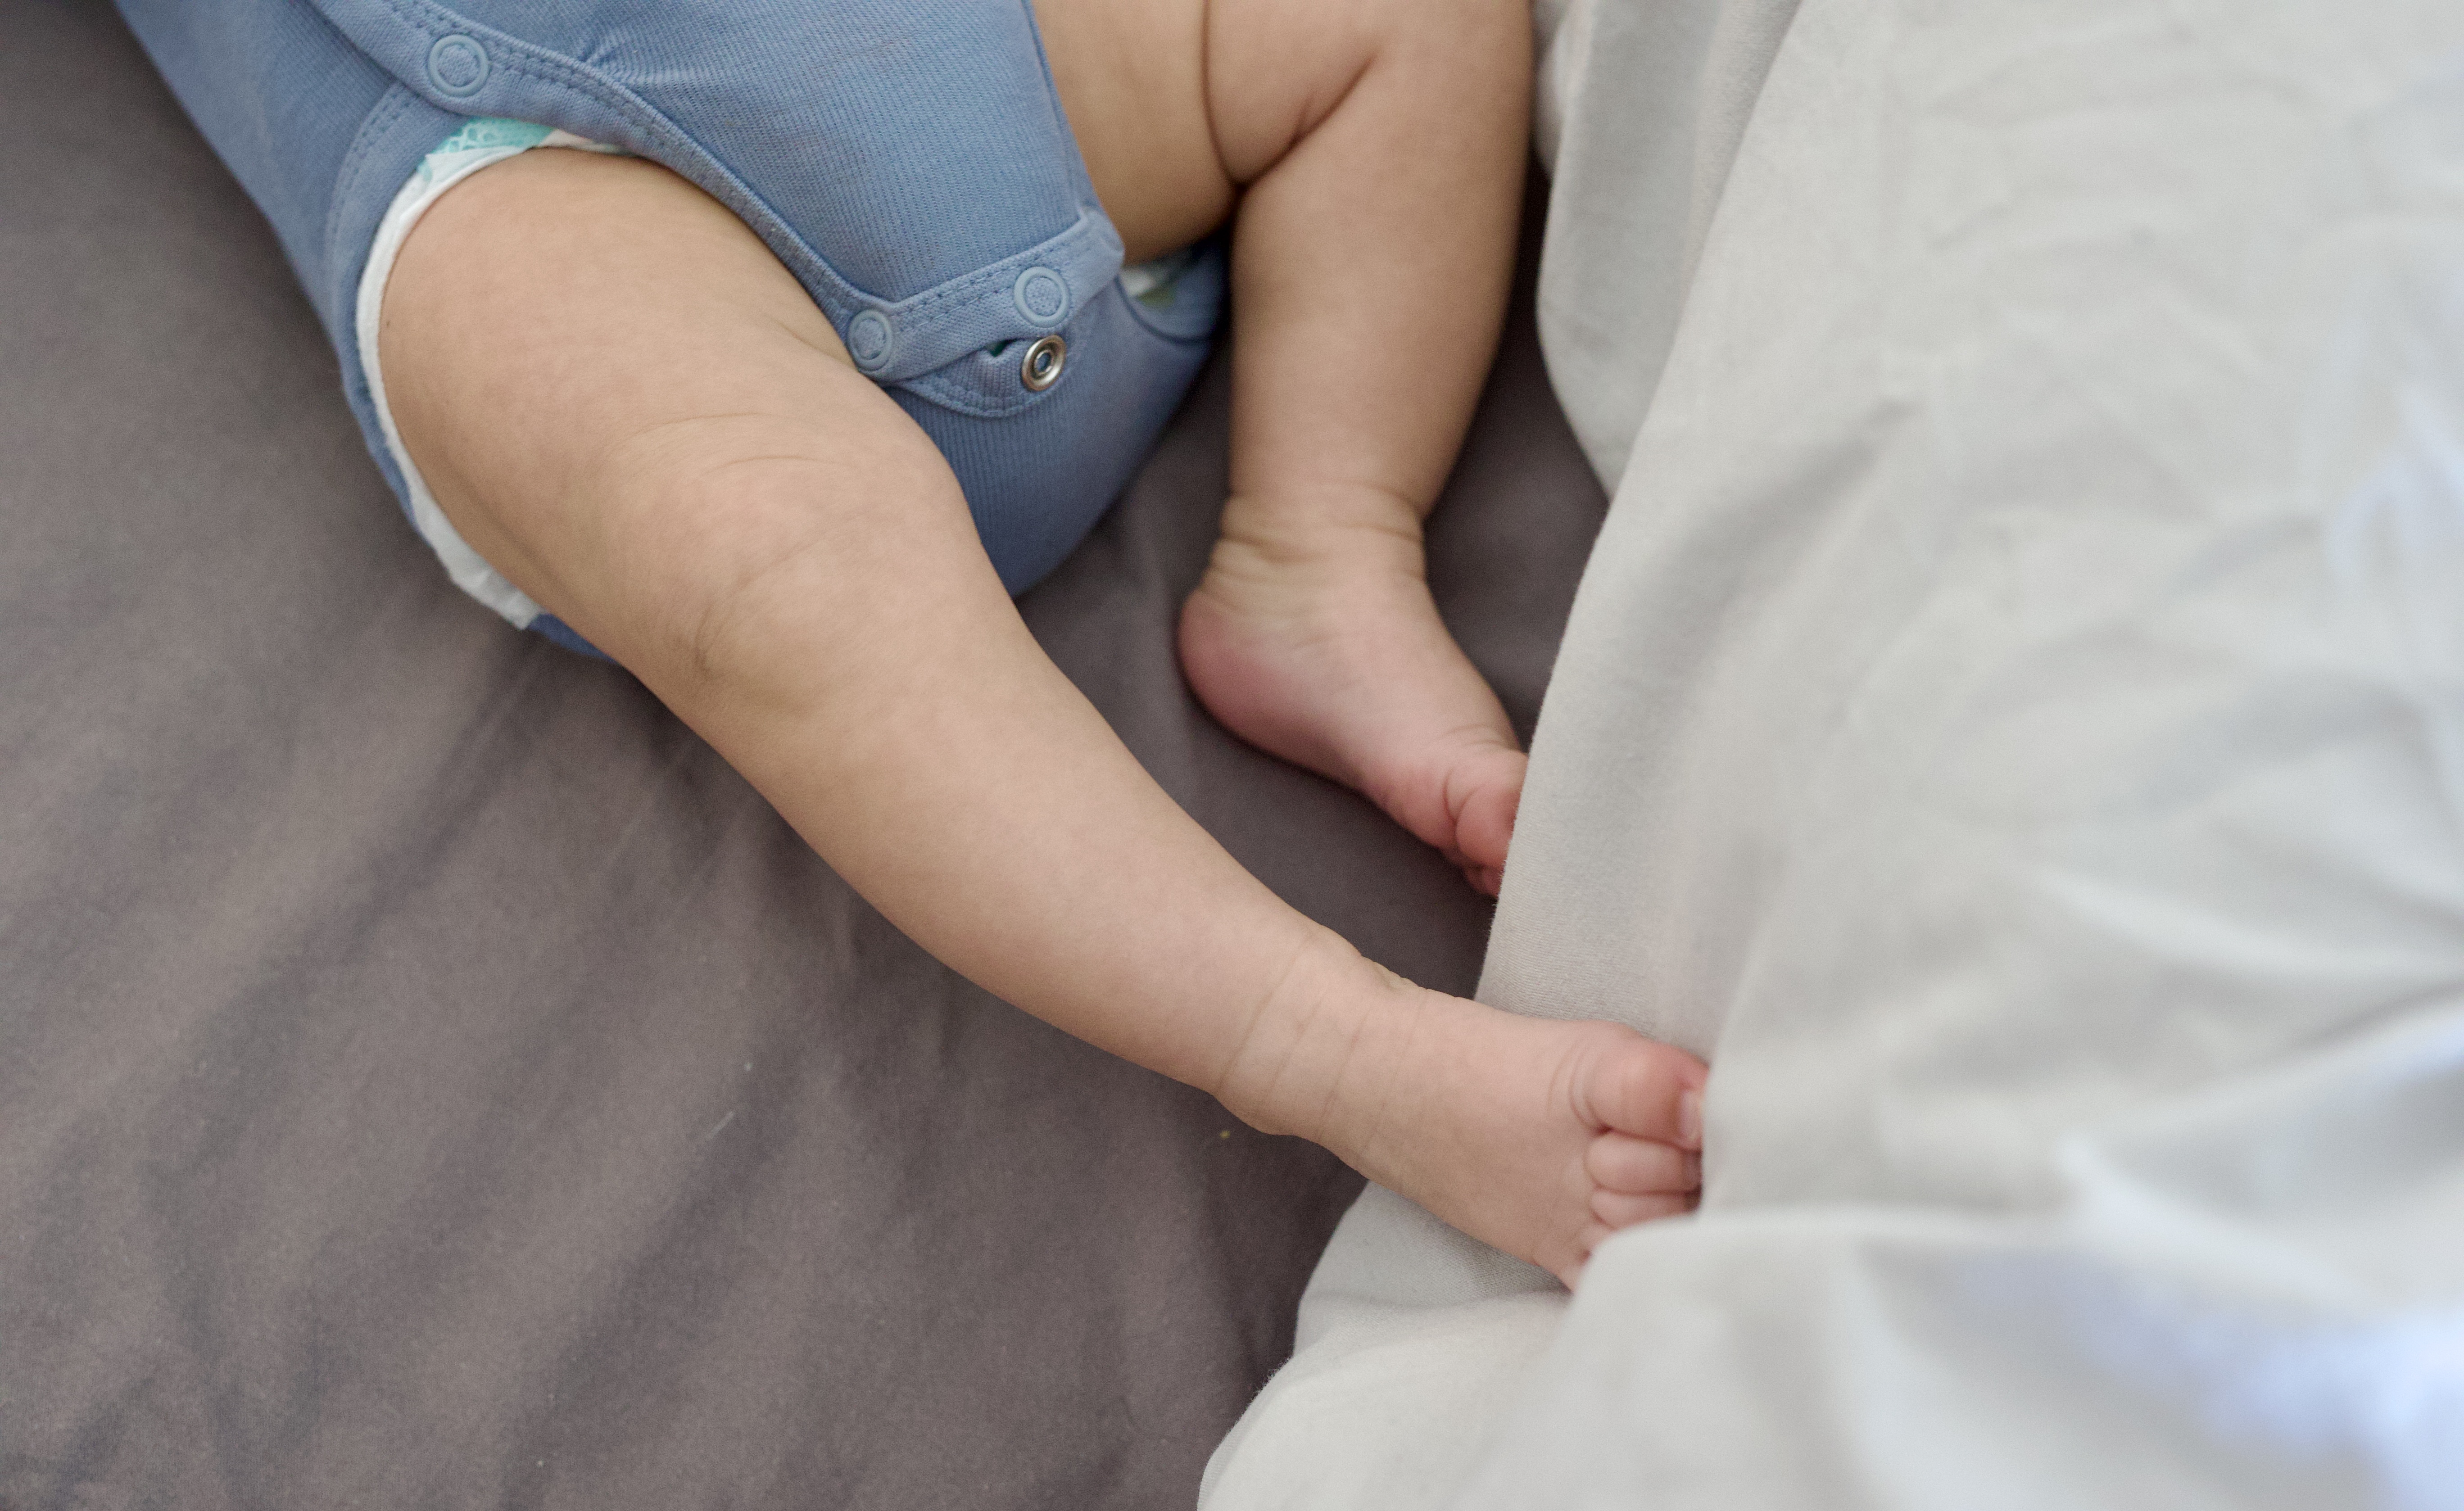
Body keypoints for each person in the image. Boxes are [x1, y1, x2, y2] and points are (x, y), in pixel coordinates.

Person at [124, 0, 1705, 1285]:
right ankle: (1329, 1044)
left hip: (965, 72)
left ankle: (1321, 542)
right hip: (513, 203)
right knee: (759, 557)